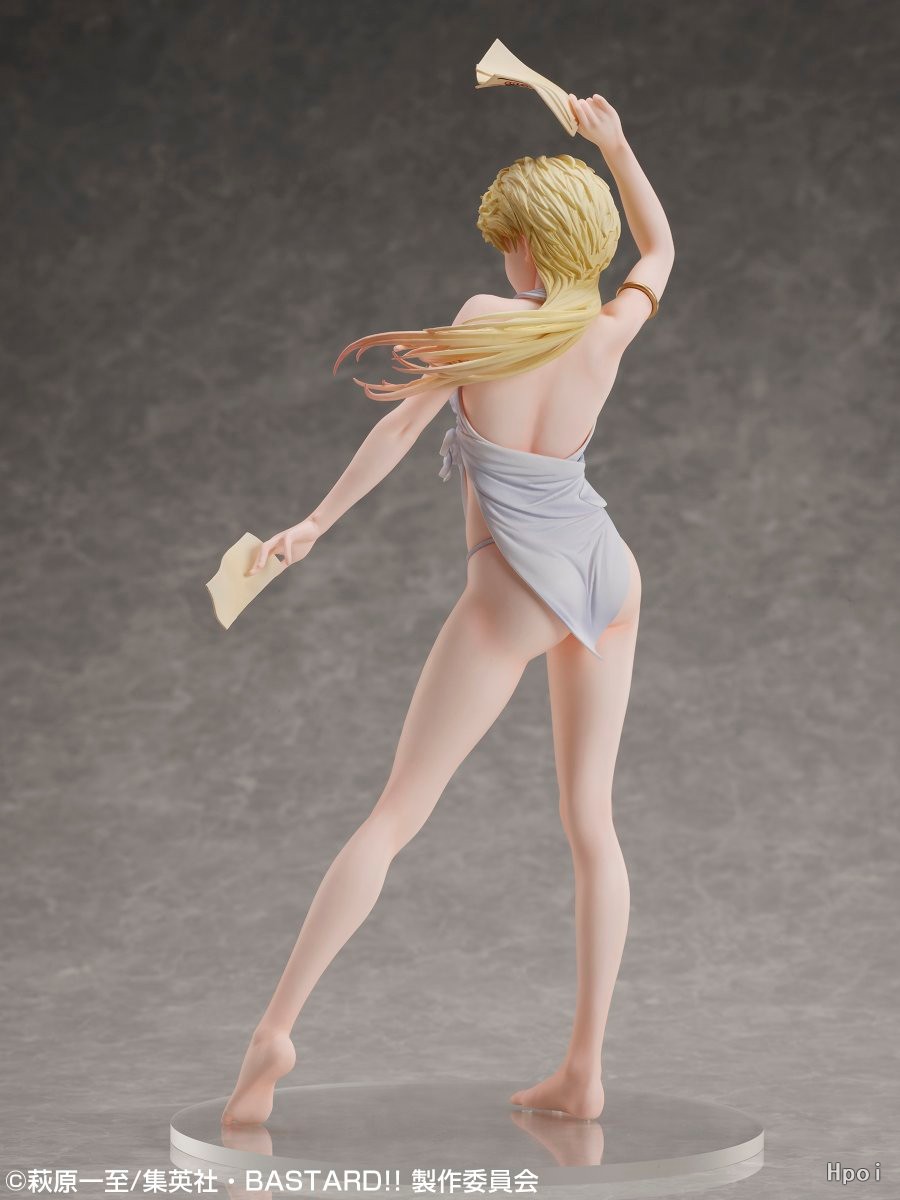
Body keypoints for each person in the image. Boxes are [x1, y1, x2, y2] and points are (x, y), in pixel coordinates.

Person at [223, 93, 674, 1125]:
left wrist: (316, 523)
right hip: (608, 576)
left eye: (509, 239)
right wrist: (616, 145)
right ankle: (584, 1070)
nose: (503, 257)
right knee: (592, 824)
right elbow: (661, 246)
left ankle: (276, 1030)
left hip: (512, 588)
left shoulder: (485, 322)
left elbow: (396, 431)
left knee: (395, 814)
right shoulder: (608, 330)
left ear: (531, 245)